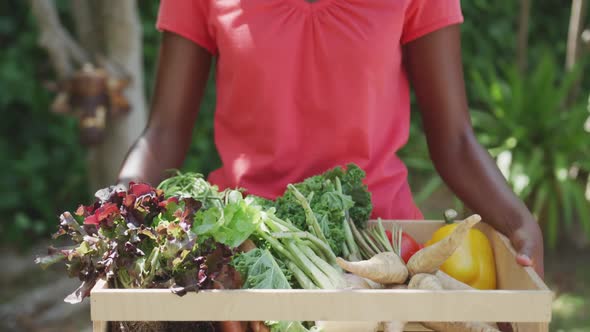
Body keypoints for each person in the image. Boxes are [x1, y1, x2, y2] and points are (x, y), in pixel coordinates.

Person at [117, 0, 544, 279]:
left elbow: (453, 138)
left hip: (387, 252)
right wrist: (118, 204)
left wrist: (519, 223)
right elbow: (165, 130)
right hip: (247, 249)